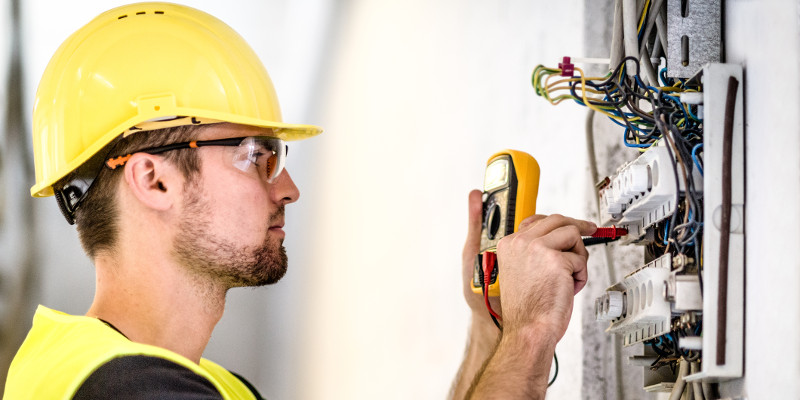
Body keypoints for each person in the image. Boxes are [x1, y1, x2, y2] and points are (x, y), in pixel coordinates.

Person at [4, 2, 595, 399]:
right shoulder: (127, 390)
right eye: (255, 155)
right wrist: (533, 330)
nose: (287, 188)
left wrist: (491, 329)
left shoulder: (181, 381)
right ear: (153, 180)